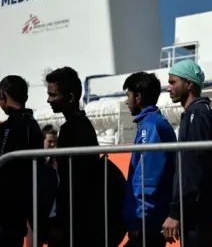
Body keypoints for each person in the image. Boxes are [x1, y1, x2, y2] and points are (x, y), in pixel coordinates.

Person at [46, 67, 125, 247]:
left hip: (80, 221)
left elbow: (73, 180)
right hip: (85, 218)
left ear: (71, 98)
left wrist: (61, 220)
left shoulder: (72, 130)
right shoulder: (82, 125)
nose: (48, 100)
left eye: (53, 95)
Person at [162, 60, 212, 247]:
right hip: (197, 210)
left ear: (189, 84)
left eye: (173, 82)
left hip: (199, 213)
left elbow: (193, 168)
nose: (168, 88)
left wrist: (176, 212)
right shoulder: (194, 113)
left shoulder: (198, 113)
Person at [122, 72, 177, 247]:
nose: (126, 101)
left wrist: (138, 219)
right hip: (153, 215)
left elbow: (147, 177)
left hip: (147, 220)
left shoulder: (150, 126)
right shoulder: (155, 122)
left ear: (138, 97)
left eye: (128, 95)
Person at [0, 75, 45, 247]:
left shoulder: (11, 127)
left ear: (3, 95)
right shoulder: (32, 124)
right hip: (23, 207)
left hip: (8, 209)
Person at [26, 124, 60, 247]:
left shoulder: (59, 162)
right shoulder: (35, 163)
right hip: (36, 216)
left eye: (55, 142)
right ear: (42, 141)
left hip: (54, 217)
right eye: (49, 141)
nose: (53, 145)